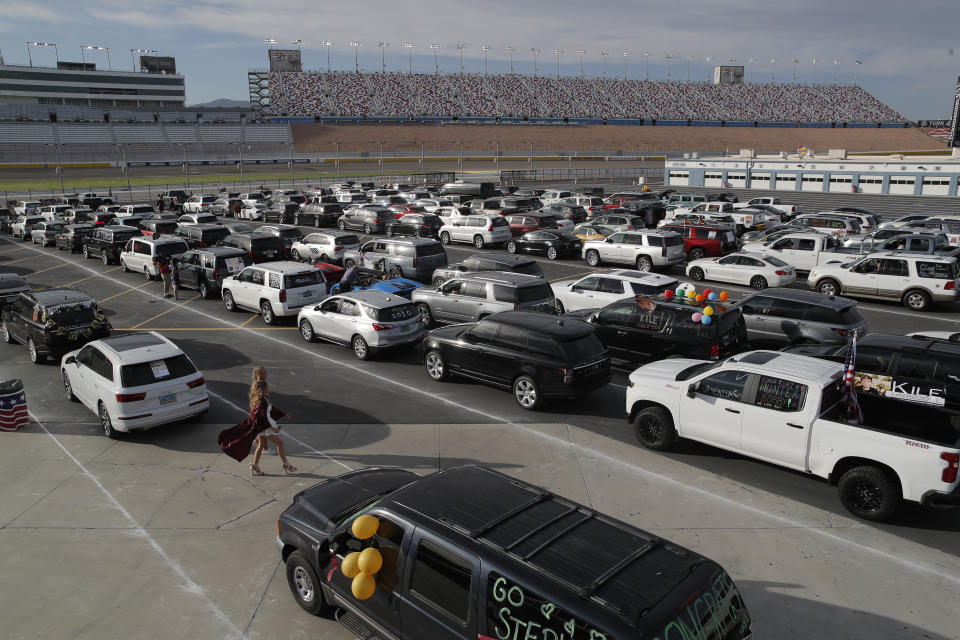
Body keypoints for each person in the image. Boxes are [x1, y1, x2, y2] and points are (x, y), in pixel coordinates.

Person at [217, 367, 297, 476]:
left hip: (264, 426)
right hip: (265, 427)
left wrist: (283, 414)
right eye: (267, 386)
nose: (269, 387)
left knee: (261, 446)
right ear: (263, 389)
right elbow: (262, 417)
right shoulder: (262, 402)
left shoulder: (264, 398)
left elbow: (270, 410)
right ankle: (286, 464)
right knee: (280, 443)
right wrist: (273, 428)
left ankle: (255, 465)